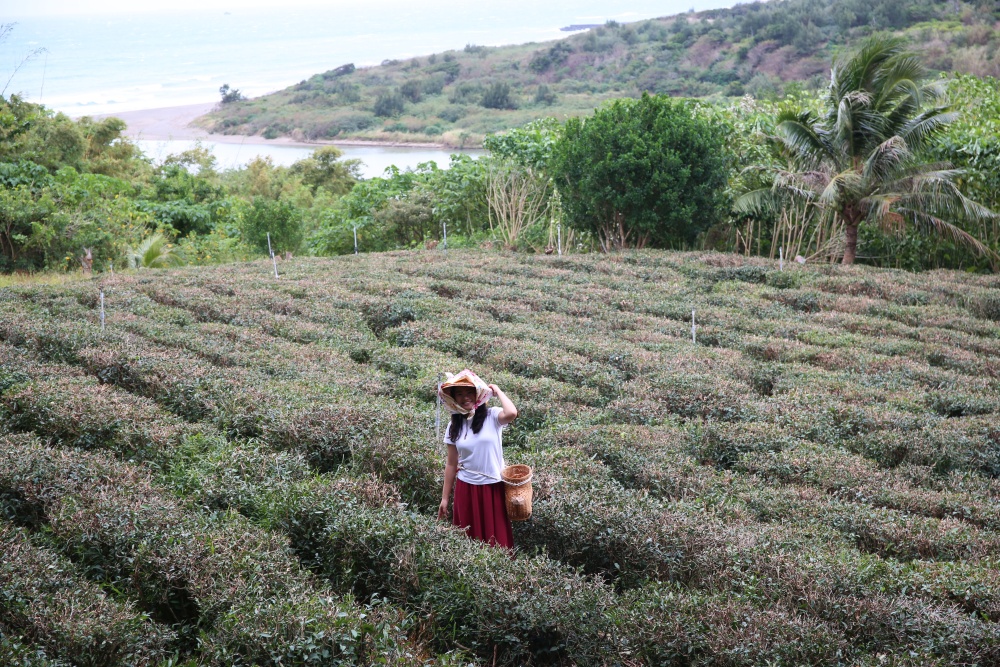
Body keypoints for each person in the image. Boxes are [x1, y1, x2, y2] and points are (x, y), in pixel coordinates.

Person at [437, 369, 518, 549]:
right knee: (468, 539)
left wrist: (497, 391)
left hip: (493, 486)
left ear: (478, 393)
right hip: (466, 487)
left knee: (497, 539)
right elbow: (451, 464)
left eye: (469, 392)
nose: (465, 397)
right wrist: (444, 498)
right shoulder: (454, 425)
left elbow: (512, 413)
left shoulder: (492, 416)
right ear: (453, 399)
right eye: (459, 394)